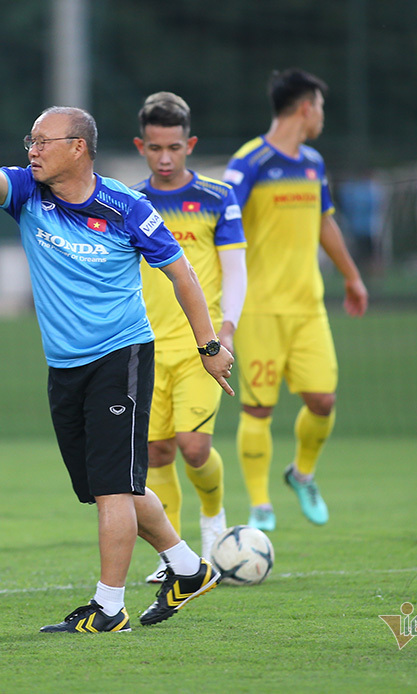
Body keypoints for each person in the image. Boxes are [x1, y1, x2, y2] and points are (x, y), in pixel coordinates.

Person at [0, 106, 234, 633]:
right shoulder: (27, 192)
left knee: (113, 486)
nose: (32, 151)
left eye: (43, 141)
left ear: (79, 148)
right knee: (110, 484)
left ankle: (108, 607)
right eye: (30, 141)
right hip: (65, 366)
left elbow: (183, 276)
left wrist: (209, 346)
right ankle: (187, 567)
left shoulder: (127, 207)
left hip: (122, 355)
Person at [222, 69, 368, 531]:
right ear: (306, 107)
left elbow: (326, 222)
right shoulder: (250, 161)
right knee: (258, 408)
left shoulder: (313, 163)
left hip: (308, 307)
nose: (322, 116)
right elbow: (221, 222)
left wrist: (352, 277)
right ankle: (260, 505)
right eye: (321, 106)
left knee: (323, 400)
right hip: (261, 307)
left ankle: (301, 474)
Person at [132, 92, 247, 583]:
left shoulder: (218, 198)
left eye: (174, 147)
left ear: (190, 144)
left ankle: (215, 528)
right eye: (155, 147)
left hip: (201, 347)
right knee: (157, 454)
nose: (164, 157)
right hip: (143, 348)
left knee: (194, 449)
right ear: (141, 145)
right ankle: (173, 557)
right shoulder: (130, 201)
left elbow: (236, 272)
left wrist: (225, 332)